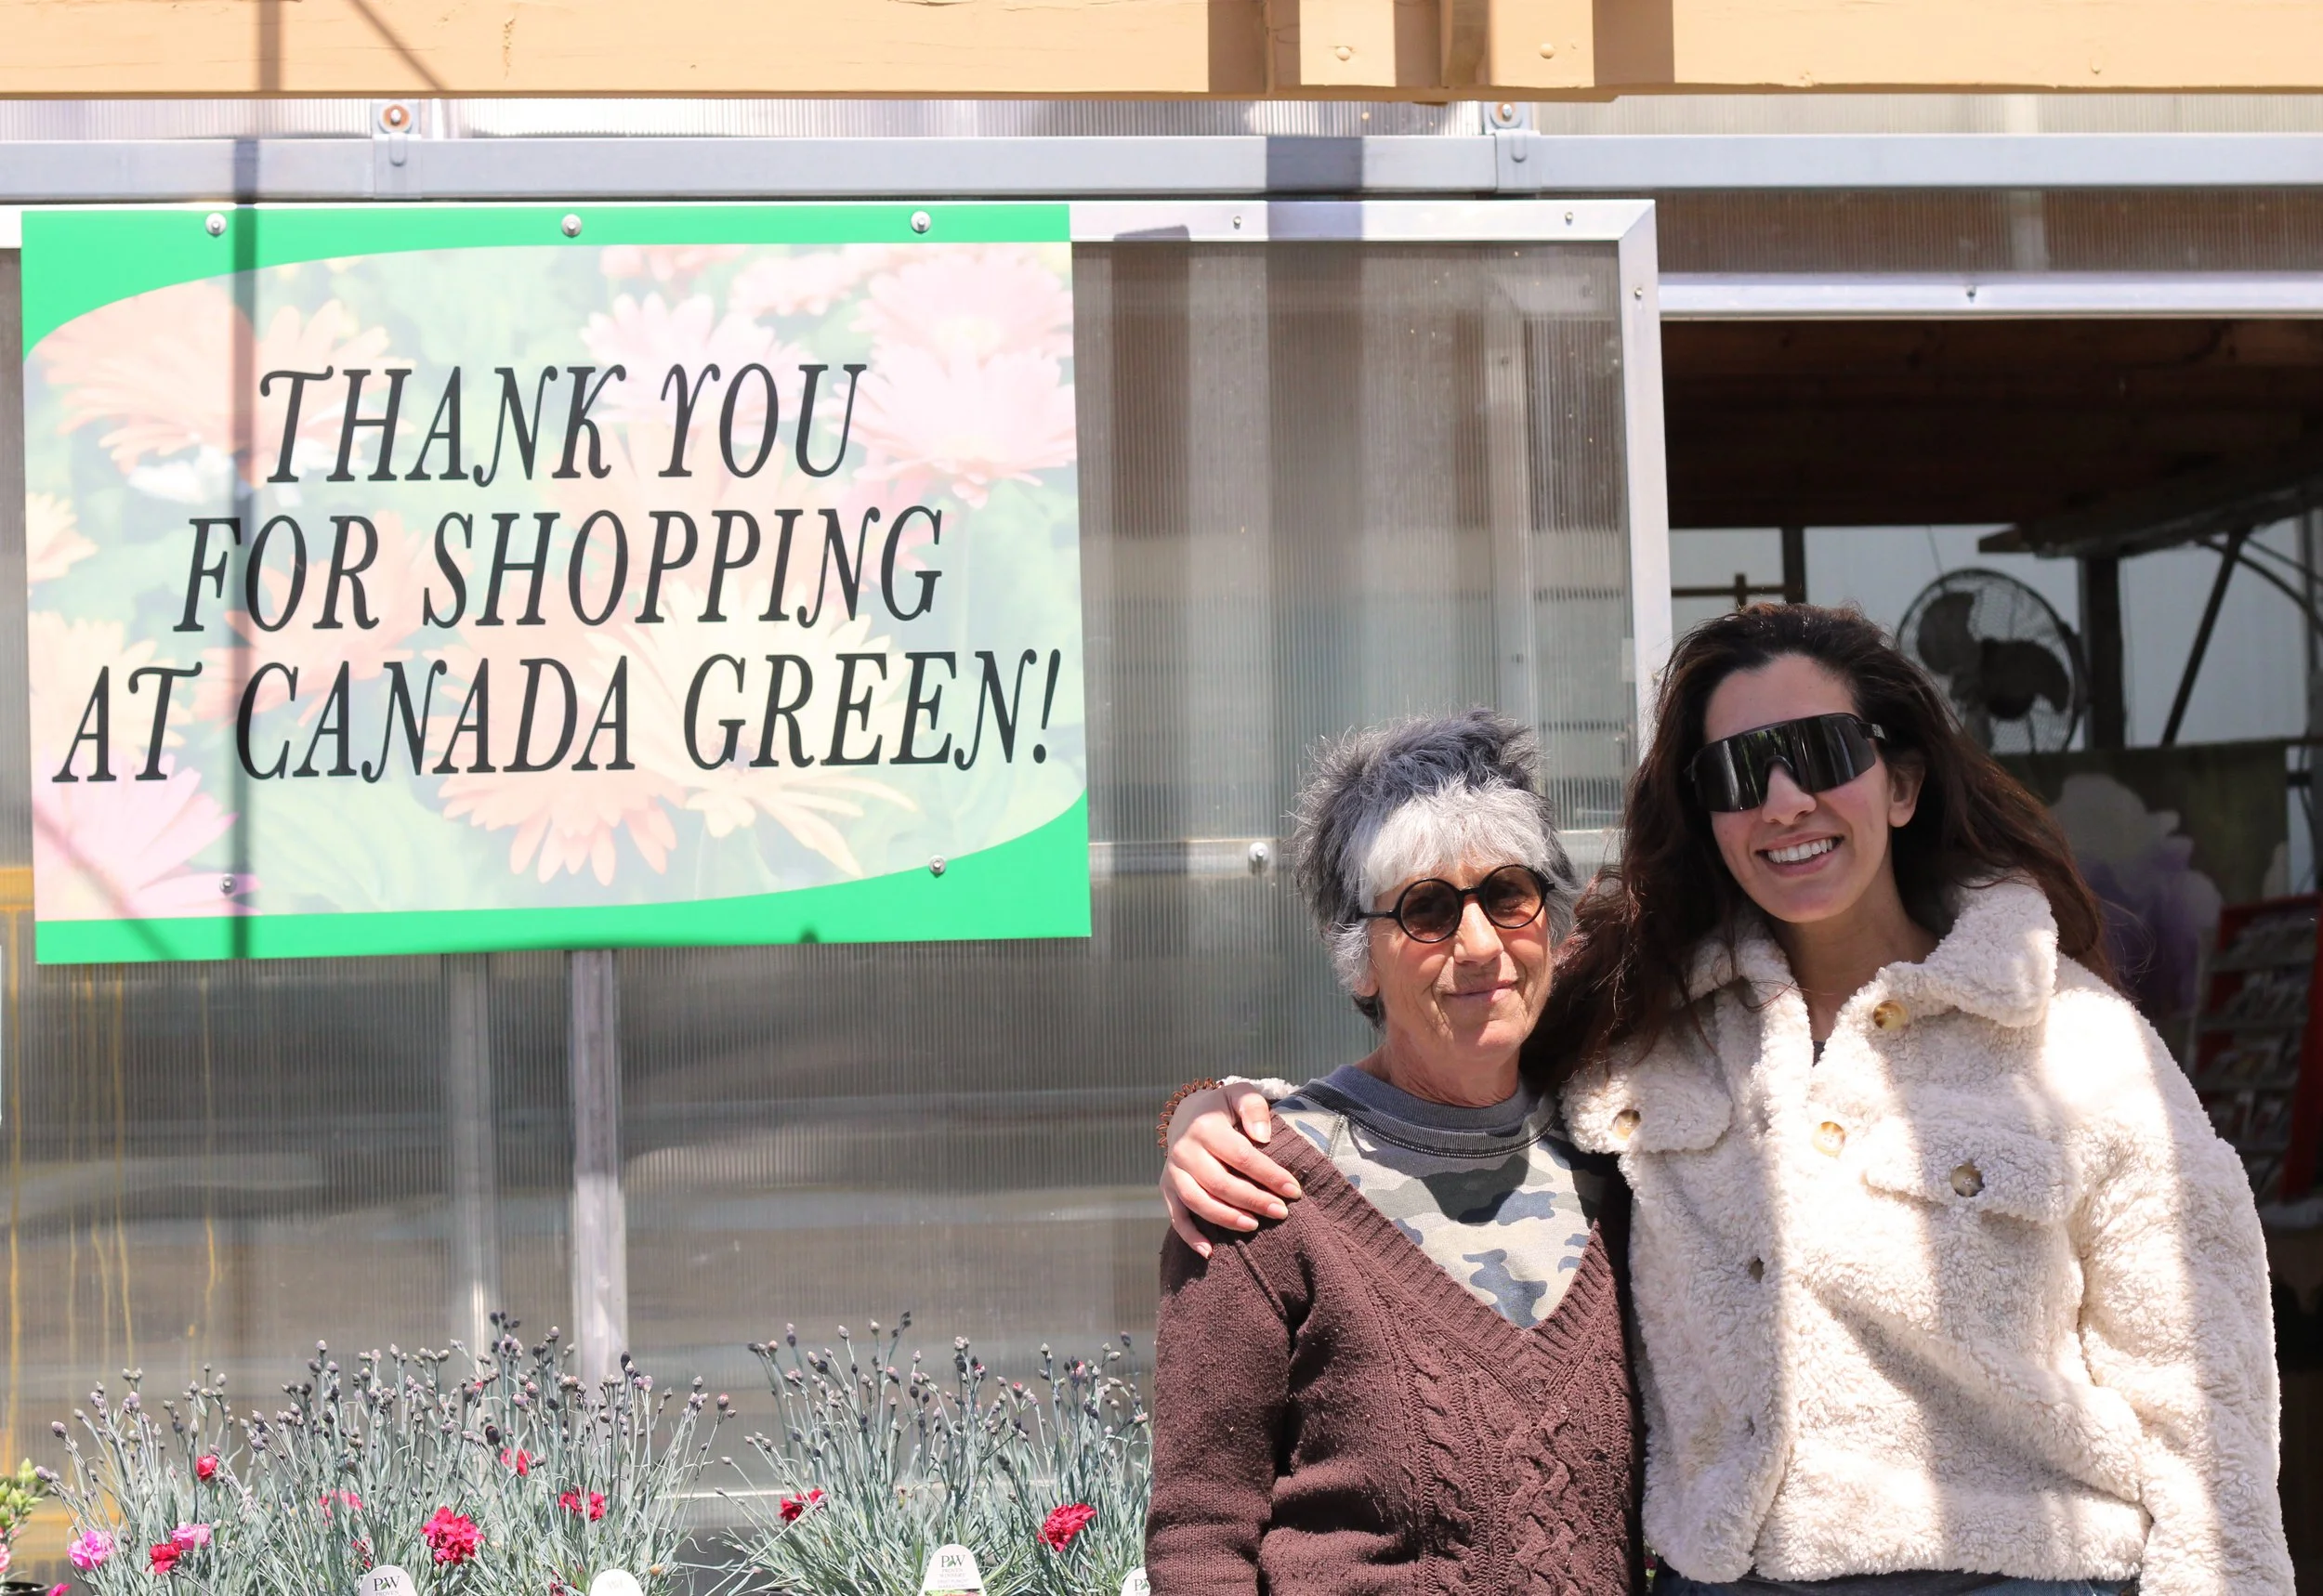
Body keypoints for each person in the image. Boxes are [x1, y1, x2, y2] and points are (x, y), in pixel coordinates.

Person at [1161, 606, 2292, 1596]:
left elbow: (2209, 1408)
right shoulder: (1644, 1019)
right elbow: (1442, 1058)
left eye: (1822, 754)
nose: (1786, 801)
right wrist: (1211, 1111)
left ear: (1901, 782)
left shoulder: (2081, 1047)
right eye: (1740, 773)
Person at [1144, 709, 1642, 1596]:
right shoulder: (1260, 1184)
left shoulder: (1622, 1156)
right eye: (1427, 910)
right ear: (1359, 959)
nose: (1480, 945)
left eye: (1507, 895)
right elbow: (1200, 1541)